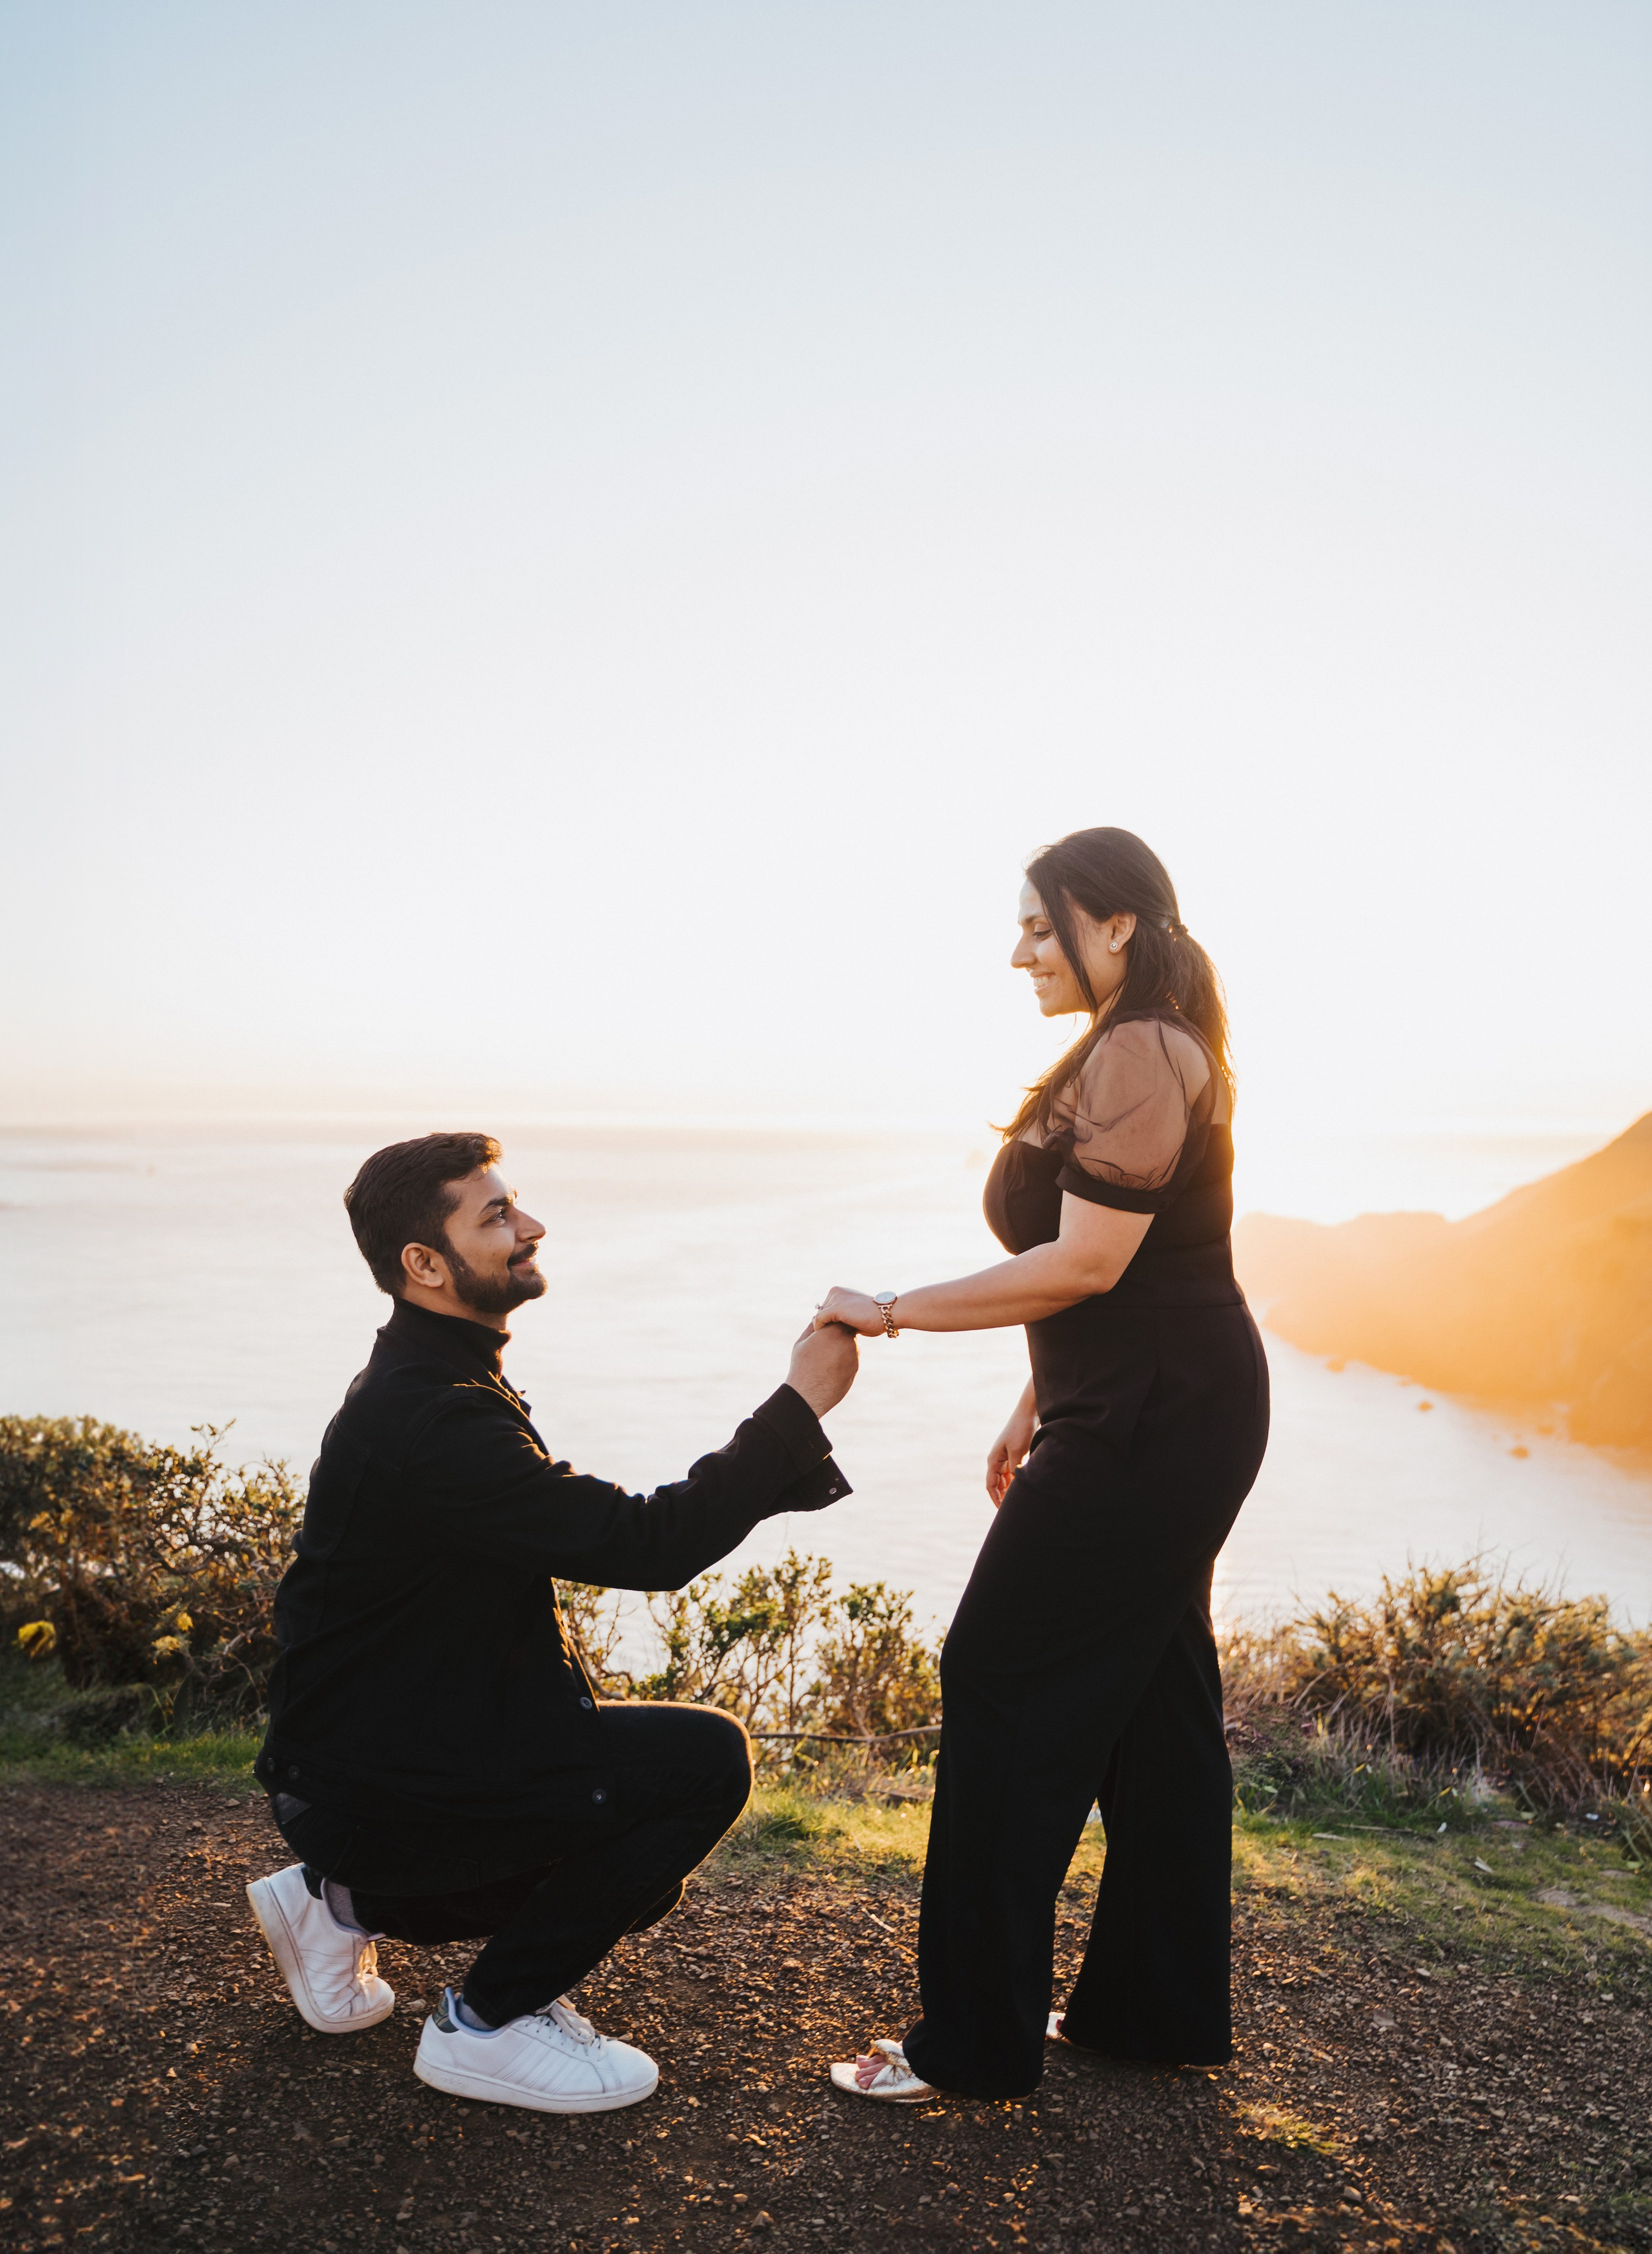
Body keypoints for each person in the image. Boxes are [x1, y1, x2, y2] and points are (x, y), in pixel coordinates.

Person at [248, 1131, 857, 2116]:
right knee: (701, 1770)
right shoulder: (433, 1417)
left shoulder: (433, 1379)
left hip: (370, 1764)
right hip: (371, 1783)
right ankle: (484, 2023)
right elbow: (645, 1543)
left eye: (514, 1202)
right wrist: (797, 1405)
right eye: (494, 1214)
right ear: (424, 1263)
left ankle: (334, 1901)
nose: (529, 1225)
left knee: (630, 1819)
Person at [814, 827, 1269, 2104]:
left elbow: (1086, 1264)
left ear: (1113, 923)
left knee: (997, 1669)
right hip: (1151, 1402)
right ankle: (1152, 2009)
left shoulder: (1136, 1048)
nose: (1019, 953)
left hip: (1149, 1417)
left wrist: (889, 1308)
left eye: (1037, 925)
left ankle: (967, 2042)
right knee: (1154, 1698)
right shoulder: (1148, 1040)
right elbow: (1138, 1265)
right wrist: (1034, 1394)